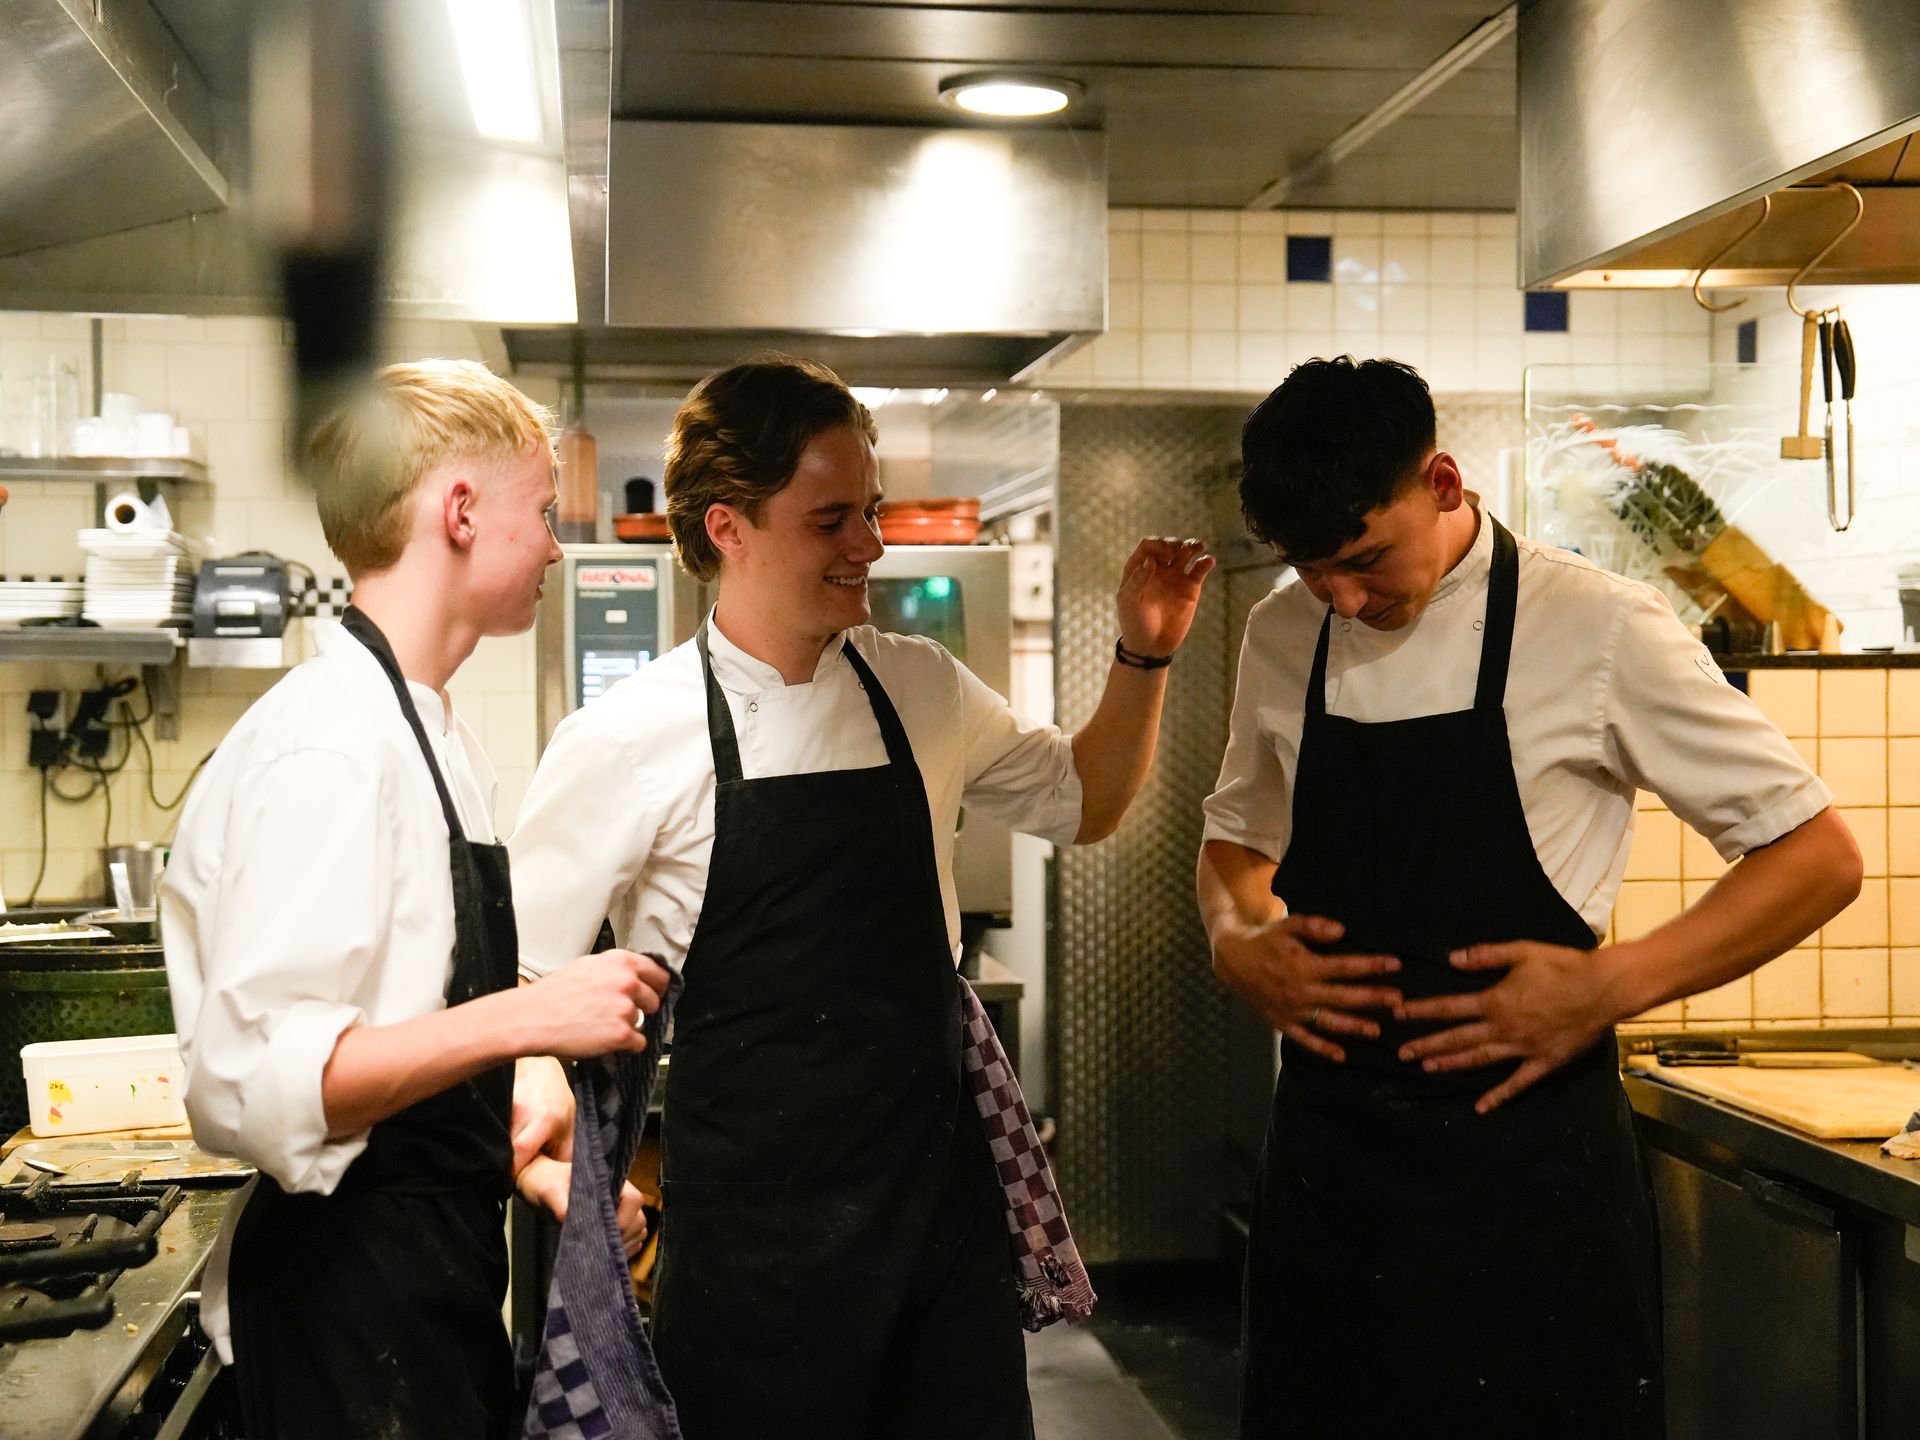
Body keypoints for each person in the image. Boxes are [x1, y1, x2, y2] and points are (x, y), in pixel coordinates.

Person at [508, 355, 1214, 1440]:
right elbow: (519, 981)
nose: (870, 546)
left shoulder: (917, 685)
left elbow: (1085, 799)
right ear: (728, 528)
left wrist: (1145, 656)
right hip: (756, 1258)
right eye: (831, 519)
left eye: (871, 511)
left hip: (939, 1230)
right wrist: (559, 1144)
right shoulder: (626, 738)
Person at [1196, 356, 1863, 1440]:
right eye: (1313, 572)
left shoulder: (1598, 625)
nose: (1345, 600)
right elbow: (1237, 837)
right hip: (1328, 1176)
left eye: (1365, 560)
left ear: (1443, 483)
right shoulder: (1280, 634)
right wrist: (1236, 931)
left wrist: (1608, 985)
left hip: (1529, 1185)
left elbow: (1818, 856)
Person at [162, 359, 671, 1440]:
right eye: (542, 512)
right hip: (338, 1327)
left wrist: (517, 1154)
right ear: (460, 511)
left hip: (423, 1295)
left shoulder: (429, 733)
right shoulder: (331, 747)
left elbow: (396, 1039)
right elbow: (261, 1084)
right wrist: (532, 1016)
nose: (554, 547)